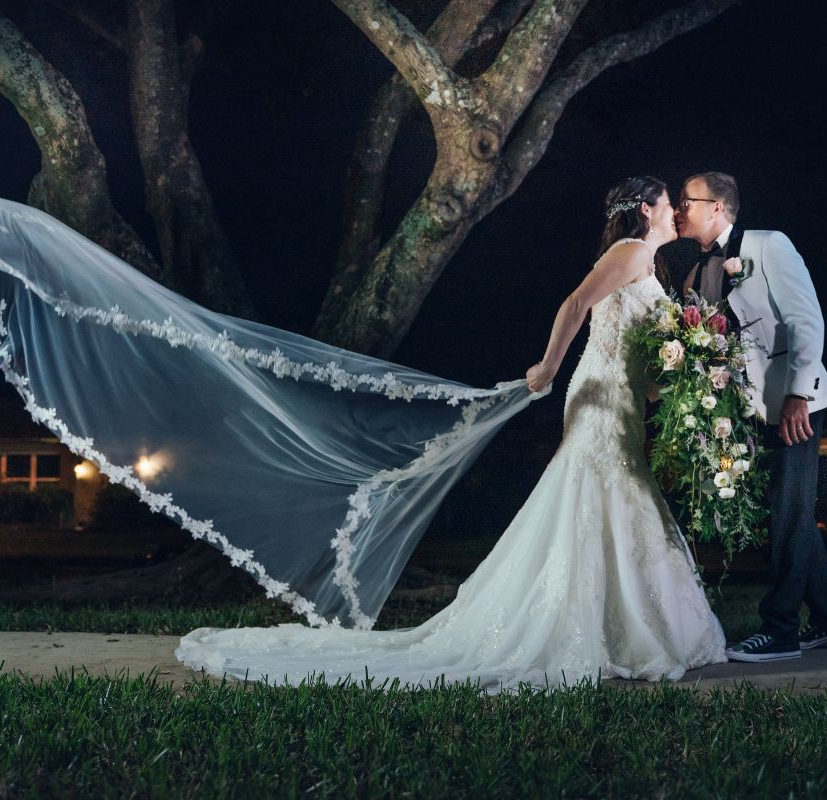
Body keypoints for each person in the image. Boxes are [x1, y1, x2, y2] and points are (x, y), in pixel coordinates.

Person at [177, 177, 728, 690]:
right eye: (667, 203)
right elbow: (575, 303)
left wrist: (682, 380)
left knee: (617, 497)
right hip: (599, 396)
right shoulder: (629, 252)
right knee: (604, 491)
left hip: (625, 399)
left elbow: (645, 353)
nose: (676, 212)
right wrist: (548, 366)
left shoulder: (650, 267)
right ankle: (602, 627)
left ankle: (622, 623)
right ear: (644, 211)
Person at [676, 171, 827, 662]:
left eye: (686, 200)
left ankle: (780, 630)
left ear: (716, 206)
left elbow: (806, 319)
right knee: (786, 510)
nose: (678, 208)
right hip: (750, 409)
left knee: (788, 512)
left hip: (796, 403)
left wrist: (799, 394)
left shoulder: (768, 244)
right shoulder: (698, 272)